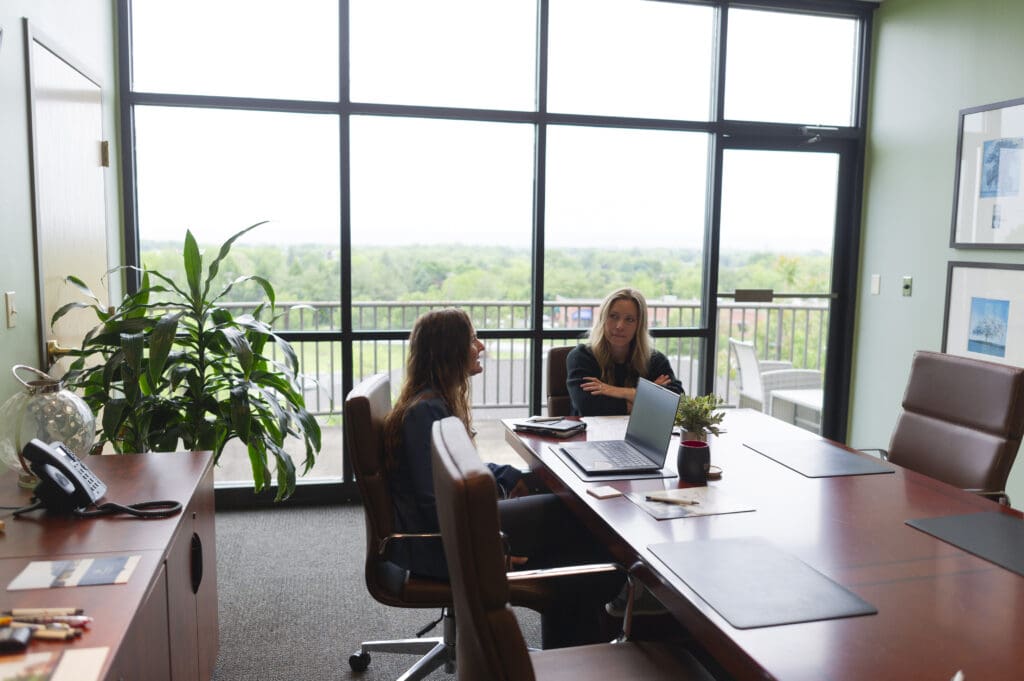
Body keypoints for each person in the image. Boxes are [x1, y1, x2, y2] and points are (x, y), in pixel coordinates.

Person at [382, 307, 618, 648]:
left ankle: (567, 647)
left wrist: (508, 476)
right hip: (438, 543)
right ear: (450, 349)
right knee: (574, 523)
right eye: (473, 338)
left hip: (454, 526)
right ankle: (585, 635)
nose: (480, 345)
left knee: (565, 540)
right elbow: (434, 502)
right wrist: (487, 547)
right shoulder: (426, 412)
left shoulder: (430, 403)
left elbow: (458, 469)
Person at [567, 287, 684, 416]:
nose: (619, 326)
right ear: (602, 319)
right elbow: (589, 407)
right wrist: (649, 396)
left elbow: (677, 403)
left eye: (629, 319)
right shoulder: (581, 357)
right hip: (592, 435)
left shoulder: (655, 360)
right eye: (613, 316)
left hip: (641, 435)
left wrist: (616, 391)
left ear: (639, 326)